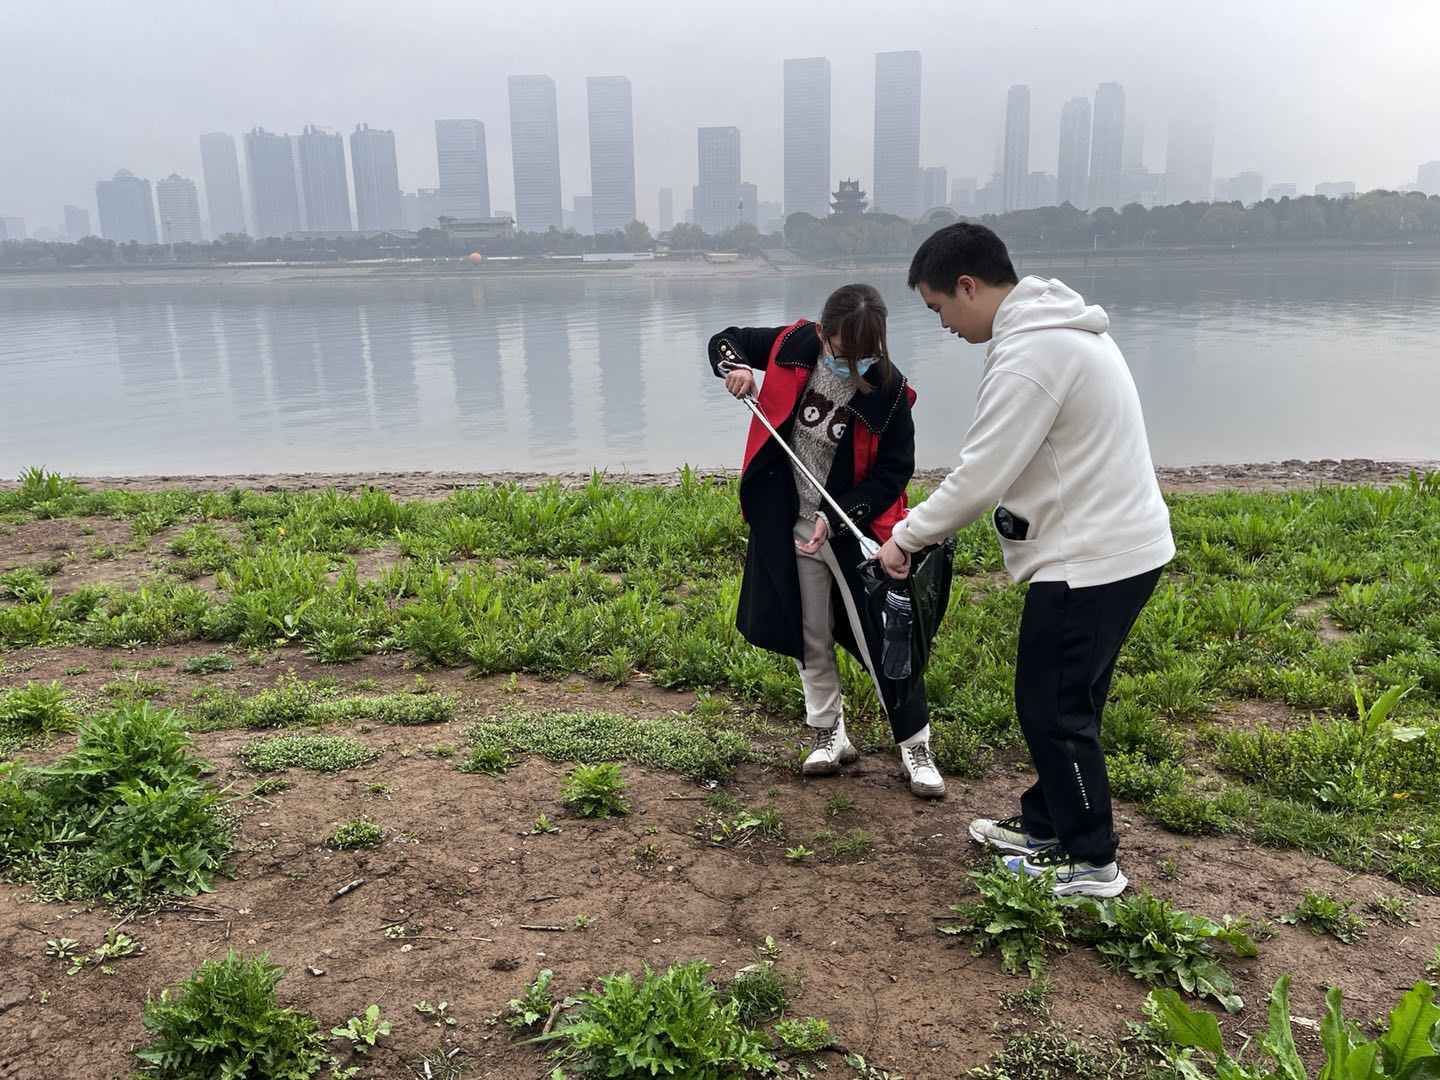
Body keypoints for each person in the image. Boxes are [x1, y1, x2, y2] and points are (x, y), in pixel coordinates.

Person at [876, 223, 1174, 896]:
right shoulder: (1056, 328)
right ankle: (1047, 825)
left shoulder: (1030, 354)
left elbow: (980, 475)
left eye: (938, 307)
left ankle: (1091, 862)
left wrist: (906, 537)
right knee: (1069, 702)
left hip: (1091, 558)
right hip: (1119, 546)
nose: (942, 324)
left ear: (968, 286)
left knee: (1053, 709)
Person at [708, 283, 945, 799]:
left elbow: (894, 472)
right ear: (822, 333)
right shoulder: (792, 345)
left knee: (884, 638)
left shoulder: (890, 393)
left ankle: (915, 745)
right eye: (842, 352)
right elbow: (726, 340)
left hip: (854, 529)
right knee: (809, 629)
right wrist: (737, 368)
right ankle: (828, 732)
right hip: (792, 522)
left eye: (865, 354)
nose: (853, 365)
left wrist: (838, 518)